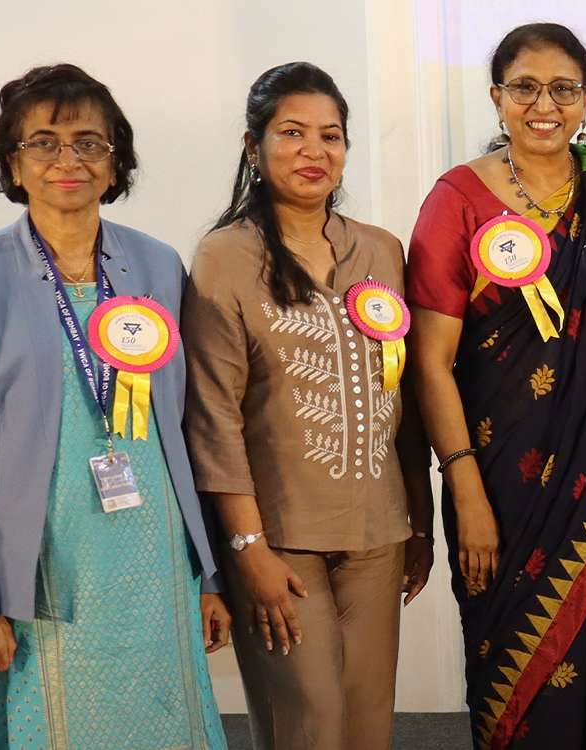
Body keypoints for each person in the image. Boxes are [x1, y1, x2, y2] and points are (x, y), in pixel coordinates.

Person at [0, 63, 228, 748]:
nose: (67, 160)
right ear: (12, 164)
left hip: (157, 564)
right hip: (36, 577)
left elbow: (188, 428)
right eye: (43, 142)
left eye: (88, 142)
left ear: (115, 161)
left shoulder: (158, 266)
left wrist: (209, 574)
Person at [406, 23, 586, 750]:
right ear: (497, 97)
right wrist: (466, 491)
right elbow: (429, 361)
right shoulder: (457, 199)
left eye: (563, 89)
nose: (544, 105)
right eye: (525, 87)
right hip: (499, 484)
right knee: (512, 667)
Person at [182, 61, 434, 750]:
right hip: (279, 537)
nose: (313, 151)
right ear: (253, 146)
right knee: (309, 726)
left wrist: (419, 522)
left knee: (367, 724)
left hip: (378, 530)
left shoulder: (380, 249)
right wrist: (248, 550)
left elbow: (403, 396)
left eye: (330, 135)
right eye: (292, 133)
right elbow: (213, 415)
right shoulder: (225, 257)